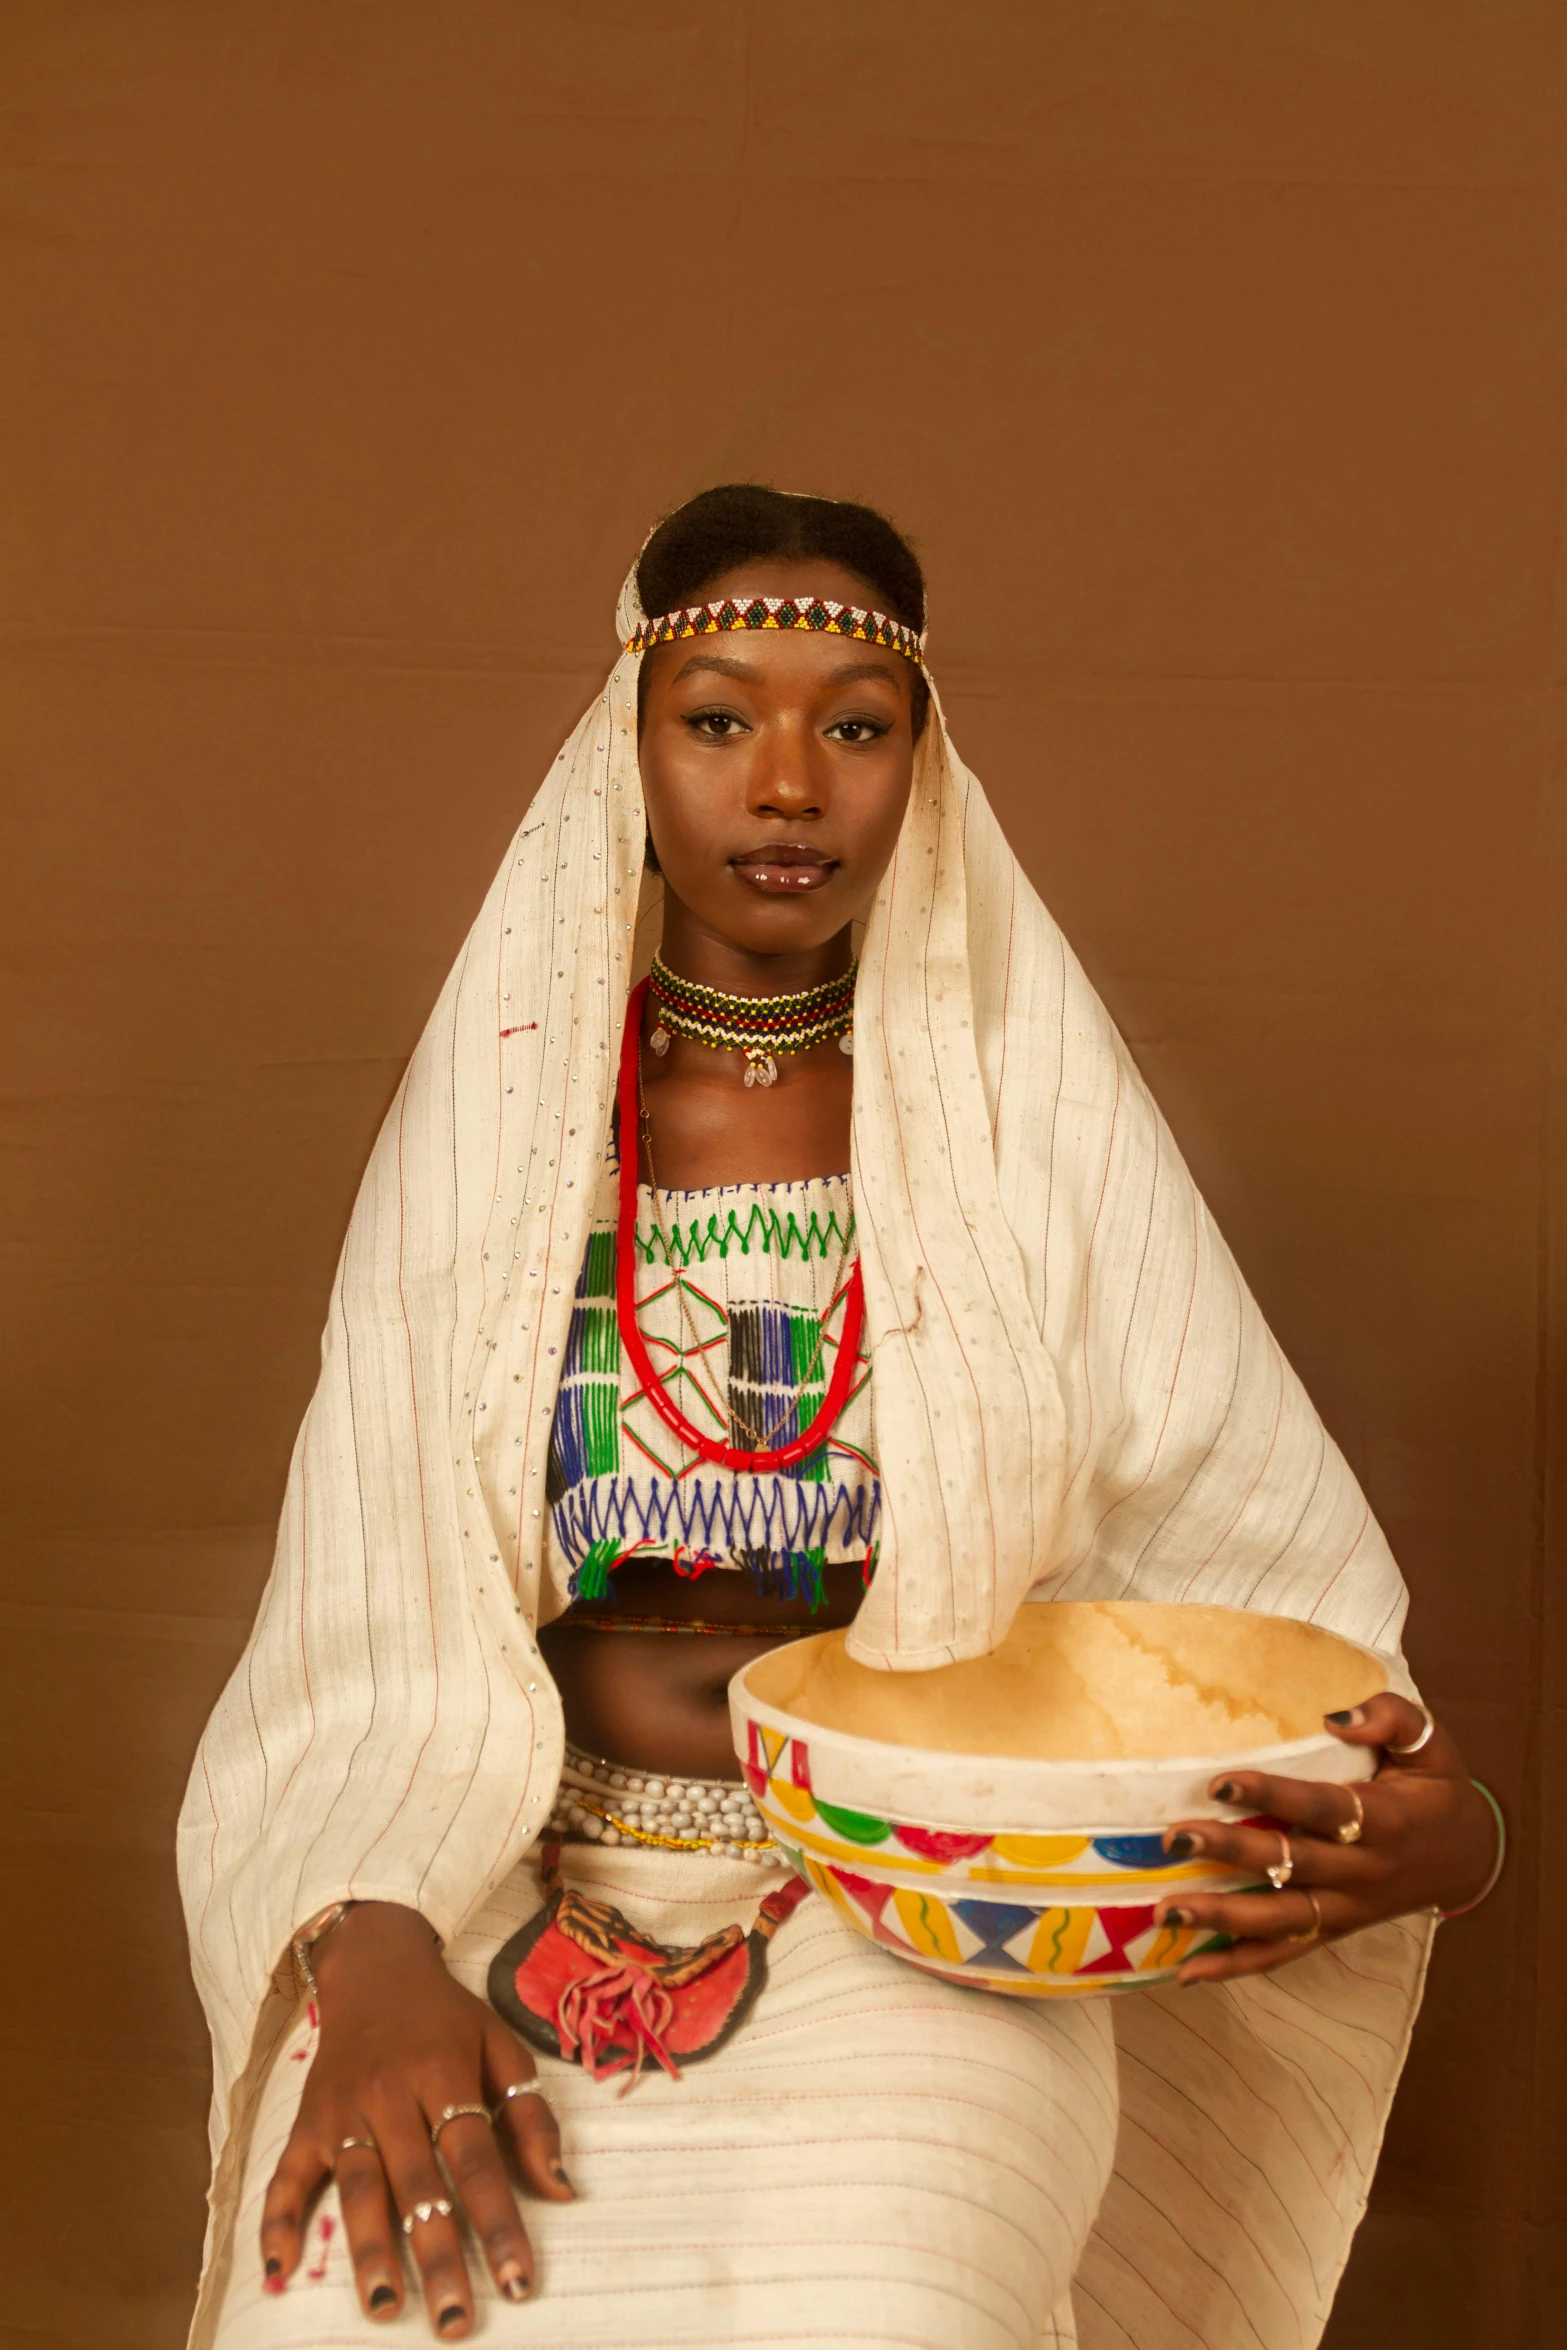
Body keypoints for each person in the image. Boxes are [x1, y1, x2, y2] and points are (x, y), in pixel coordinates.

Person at [179, 485, 1503, 2350]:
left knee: (884, 2303)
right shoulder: (509, 1134)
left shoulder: (1023, 1137)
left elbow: (1250, 1592)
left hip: (913, 1907)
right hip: (518, 1874)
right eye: (717, 716)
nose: (785, 784)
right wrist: (366, 1932)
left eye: (853, 727)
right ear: (625, 754)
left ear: (919, 768)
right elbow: (357, 1621)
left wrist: (1433, 1826)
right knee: (335, 2302)